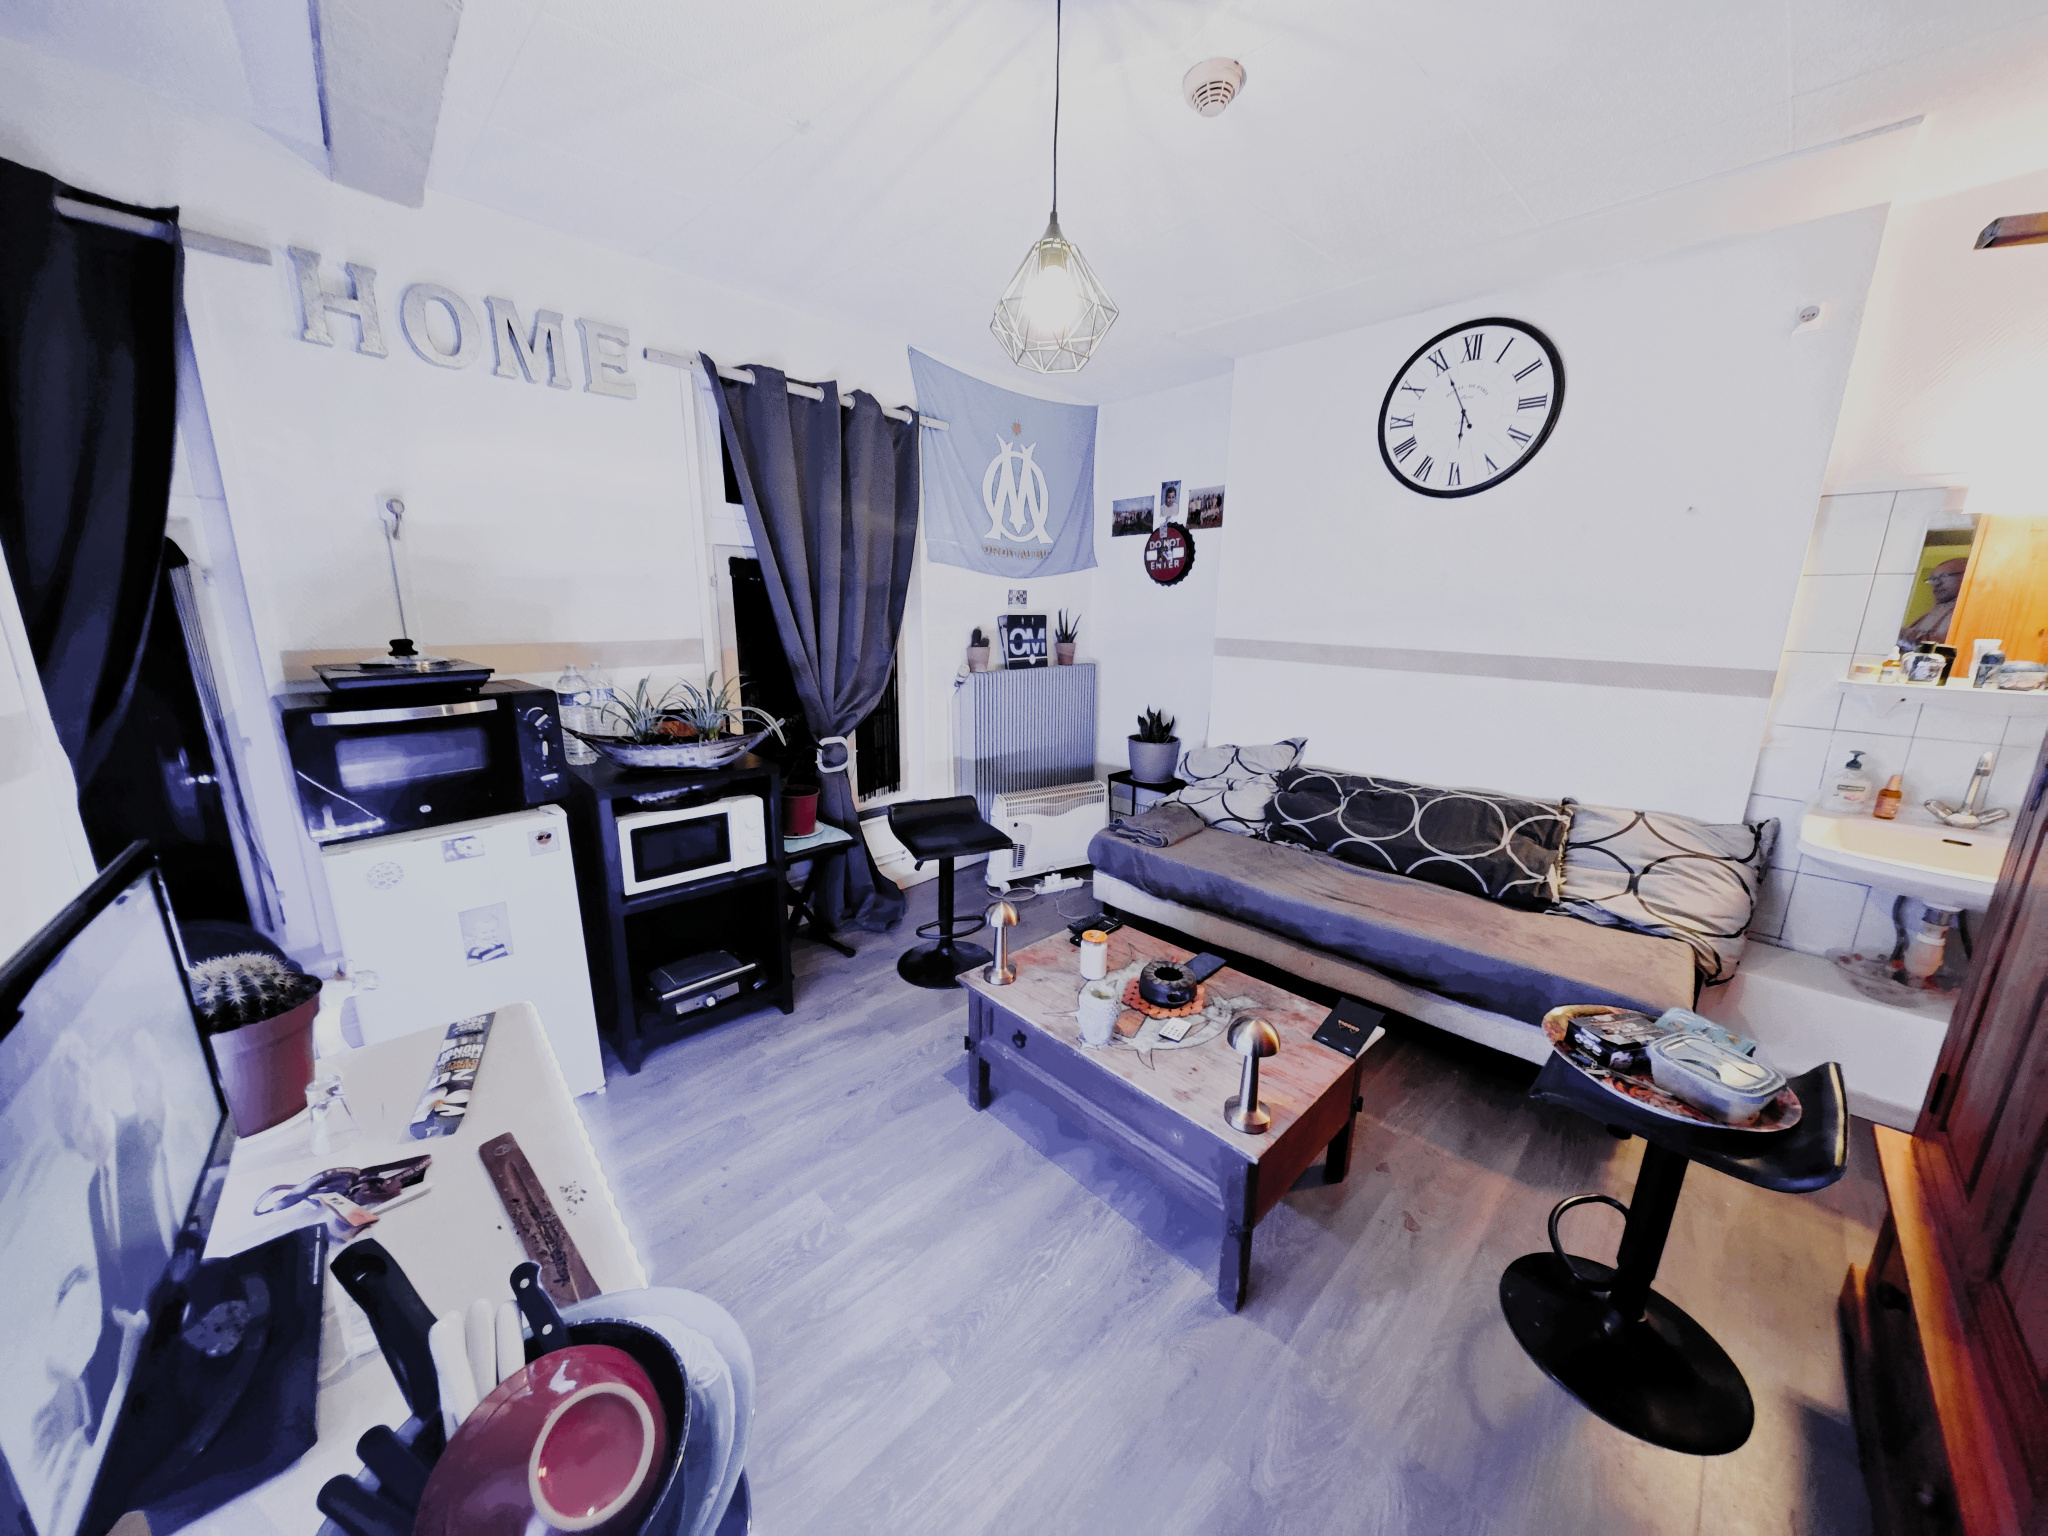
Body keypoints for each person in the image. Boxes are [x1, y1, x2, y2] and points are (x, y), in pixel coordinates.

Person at [1901, 556, 1968, 645]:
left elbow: (1946, 643)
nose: (1936, 583)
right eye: (1933, 579)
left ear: (1966, 575)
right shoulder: (1936, 611)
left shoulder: (1969, 611)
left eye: (1943, 576)